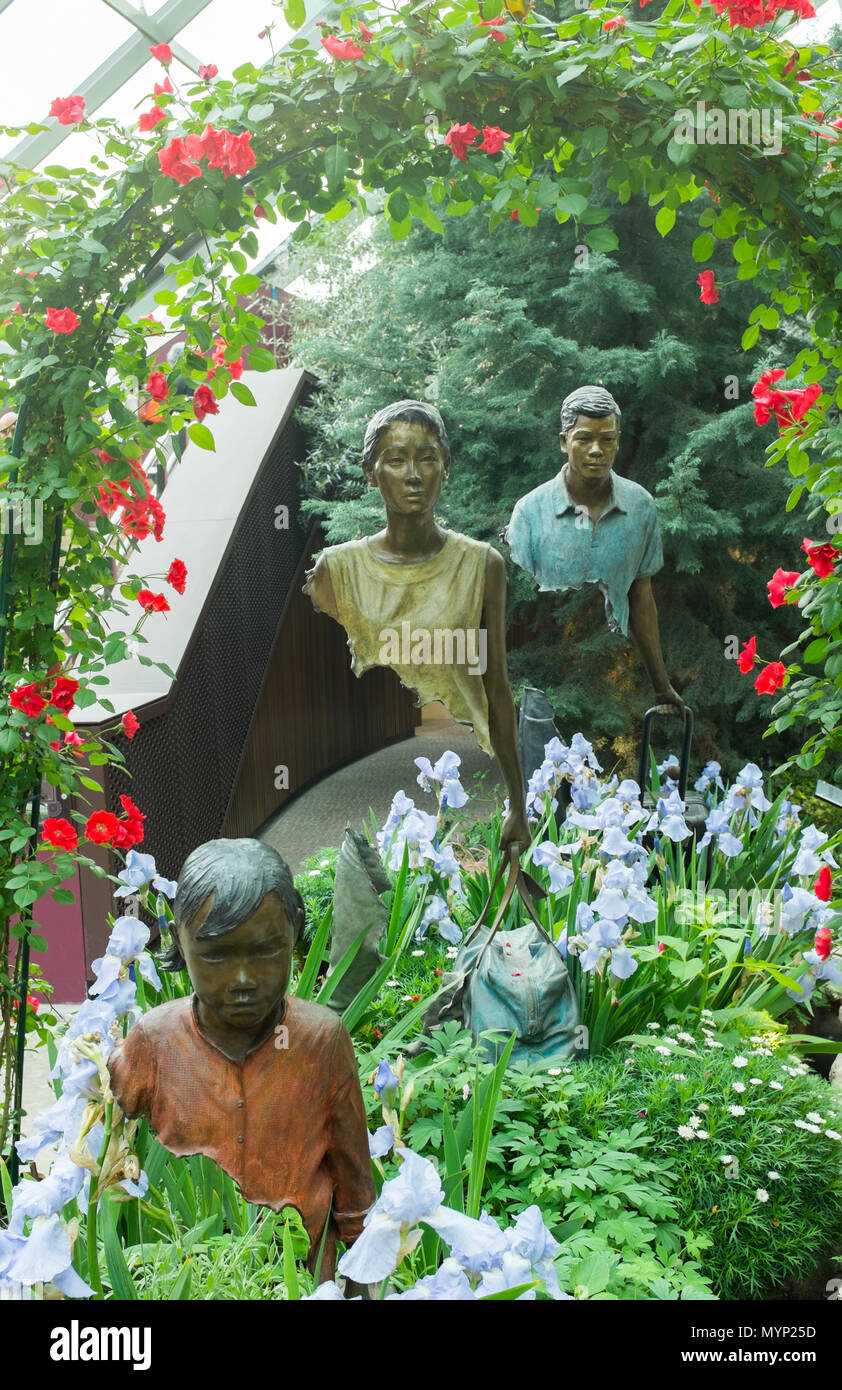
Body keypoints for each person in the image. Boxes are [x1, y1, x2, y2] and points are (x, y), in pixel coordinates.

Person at [108, 838, 377, 1288]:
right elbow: (107, 1161)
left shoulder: (321, 1042)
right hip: (186, 1282)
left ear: (295, 932)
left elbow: (355, 1194)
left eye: (267, 951)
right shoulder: (150, 1045)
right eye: (215, 955)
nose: (243, 979)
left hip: (306, 1281)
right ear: (179, 940)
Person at [304, 399, 532, 852]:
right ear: (371, 472)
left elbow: (498, 688)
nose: (413, 475)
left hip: (464, 787)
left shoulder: (481, 565)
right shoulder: (336, 572)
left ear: (445, 467)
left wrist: (518, 804)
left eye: (427, 458)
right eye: (395, 459)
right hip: (365, 798)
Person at [505, 385, 685, 717]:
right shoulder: (529, 513)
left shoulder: (641, 506)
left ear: (618, 441)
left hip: (620, 692)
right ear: (564, 442)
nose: (596, 450)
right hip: (541, 693)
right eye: (584, 439)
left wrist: (661, 685)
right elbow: (513, 605)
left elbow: (641, 597)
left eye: (607, 439)